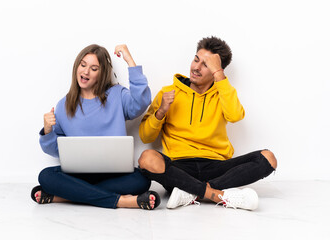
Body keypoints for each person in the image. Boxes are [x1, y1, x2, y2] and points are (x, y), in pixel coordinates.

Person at [137, 36, 277, 210]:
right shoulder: (168, 92)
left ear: (217, 70)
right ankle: (217, 195)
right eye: (196, 60)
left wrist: (219, 75)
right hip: (179, 168)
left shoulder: (223, 94)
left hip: (217, 166)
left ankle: (190, 193)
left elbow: (235, 116)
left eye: (206, 65)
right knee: (147, 158)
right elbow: (145, 136)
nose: (196, 67)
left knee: (268, 158)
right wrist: (161, 112)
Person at [31, 44, 160, 210]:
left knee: (142, 180)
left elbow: (141, 102)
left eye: (93, 68)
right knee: (46, 176)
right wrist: (47, 131)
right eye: (83, 65)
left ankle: (65, 197)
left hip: (114, 174)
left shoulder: (117, 94)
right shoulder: (64, 105)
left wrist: (130, 61)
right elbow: (57, 150)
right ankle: (122, 201)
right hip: (78, 175)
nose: (85, 72)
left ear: (101, 73)